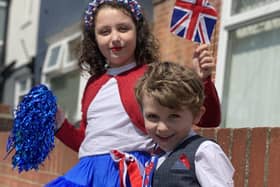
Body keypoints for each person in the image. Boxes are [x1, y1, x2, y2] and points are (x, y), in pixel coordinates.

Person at [46, 0, 221, 186]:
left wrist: (203, 80)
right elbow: (90, 143)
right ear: (94, 39)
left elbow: (208, 119)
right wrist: (60, 125)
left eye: (123, 28)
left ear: (138, 31)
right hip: (87, 173)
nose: (114, 38)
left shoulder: (152, 75)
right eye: (104, 32)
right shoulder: (93, 83)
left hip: (128, 174)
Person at [134, 61, 234, 187]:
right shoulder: (155, 158)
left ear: (197, 114)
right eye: (153, 117)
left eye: (174, 116)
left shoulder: (204, 151)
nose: (162, 128)